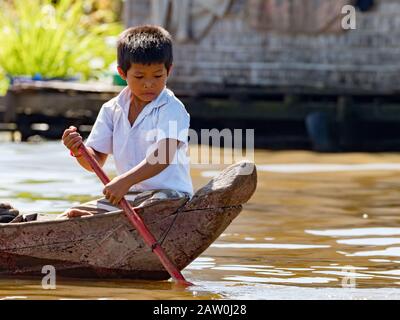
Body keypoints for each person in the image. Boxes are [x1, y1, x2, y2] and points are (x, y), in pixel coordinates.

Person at [60, 25, 193, 218]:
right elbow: (94, 162)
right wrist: (78, 151)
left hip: (171, 197)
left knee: (149, 208)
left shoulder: (172, 108)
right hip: (129, 196)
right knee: (70, 215)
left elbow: (163, 155)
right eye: (139, 76)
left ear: (168, 71)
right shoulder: (111, 109)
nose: (149, 84)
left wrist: (124, 181)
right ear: (122, 73)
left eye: (158, 76)